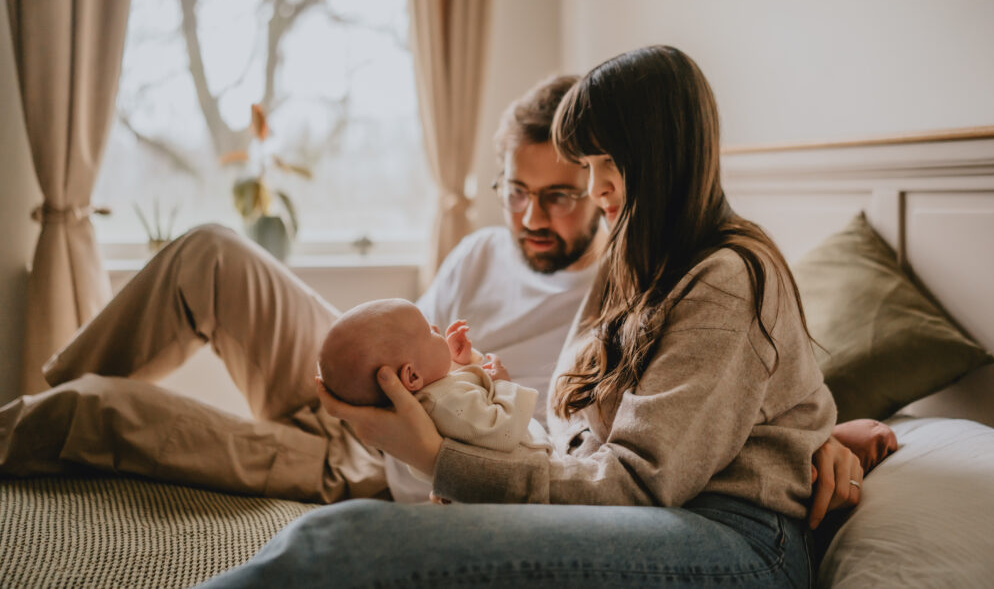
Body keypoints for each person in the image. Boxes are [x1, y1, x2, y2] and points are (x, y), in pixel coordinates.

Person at [0, 73, 880, 520]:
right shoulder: (479, 248)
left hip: (396, 462)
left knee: (93, 416)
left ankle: (27, 422)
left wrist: (830, 432)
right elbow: (387, 346)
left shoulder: (652, 276)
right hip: (367, 400)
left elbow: (741, 378)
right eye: (514, 190)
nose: (531, 217)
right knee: (207, 253)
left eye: (564, 193)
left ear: (617, 179)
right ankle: (30, 401)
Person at [202, 46, 853, 588]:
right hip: (659, 521)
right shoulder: (632, 270)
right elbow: (581, 435)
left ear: (659, 157)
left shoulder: (728, 276)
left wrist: (439, 456)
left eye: (604, 164)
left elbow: (639, 481)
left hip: (735, 544)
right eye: (588, 166)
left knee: (340, 542)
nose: (595, 188)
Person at [318, 299, 549, 483]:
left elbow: (461, 398)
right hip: (539, 465)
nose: (437, 328)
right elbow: (503, 432)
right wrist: (503, 384)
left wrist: (462, 362)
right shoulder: (446, 403)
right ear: (412, 376)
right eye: (429, 332)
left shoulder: (432, 399)